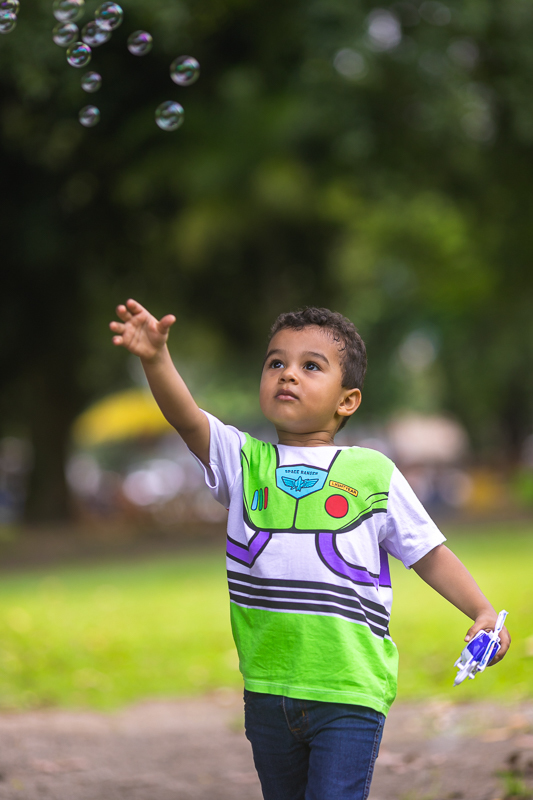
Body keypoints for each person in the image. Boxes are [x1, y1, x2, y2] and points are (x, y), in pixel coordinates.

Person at [110, 299, 510, 800]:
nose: (288, 375)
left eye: (310, 366)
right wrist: (155, 360)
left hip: (349, 690)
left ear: (348, 400)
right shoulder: (244, 461)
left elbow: (427, 551)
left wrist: (481, 610)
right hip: (267, 690)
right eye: (276, 362)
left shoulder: (373, 473)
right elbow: (188, 420)